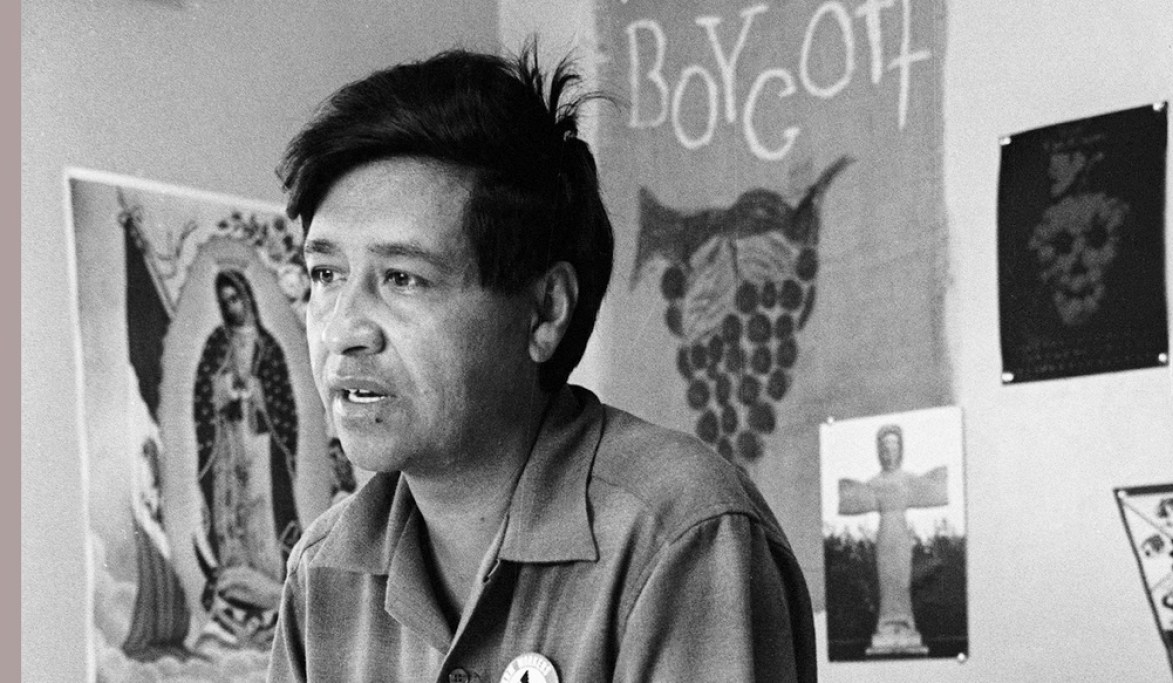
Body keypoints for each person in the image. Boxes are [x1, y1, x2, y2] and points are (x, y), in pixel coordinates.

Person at [268, 43, 816, 681]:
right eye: (326, 274)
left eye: (403, 278)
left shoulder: (681, 535)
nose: (342, 330)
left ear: (545, 311)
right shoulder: (322, 571)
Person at [193, 268, 300, 648]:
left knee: (261, 511)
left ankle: (267, 590)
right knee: (232, 508)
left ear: (248, 298)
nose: (231, 307)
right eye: (224, 302)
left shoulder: (267, 347)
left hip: (260, 443)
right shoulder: (216, 344)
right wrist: (224, 387)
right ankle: (235, 586)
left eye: (235, 298)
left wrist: (254, 390)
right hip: (229, 441)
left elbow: (283, 403)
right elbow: (204, 393)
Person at [838, 424, 947, 656]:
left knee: (902, 580)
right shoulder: (875, 482)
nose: (889, 453)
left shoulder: (908, 479)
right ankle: (886, 623)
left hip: (901, 535)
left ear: (900, 450)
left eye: (894, 448)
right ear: (880, 452)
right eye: (885, 449)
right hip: (884, 535)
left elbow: (934, 487)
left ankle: (906, 622)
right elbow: (852, 496)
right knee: (886, 580)